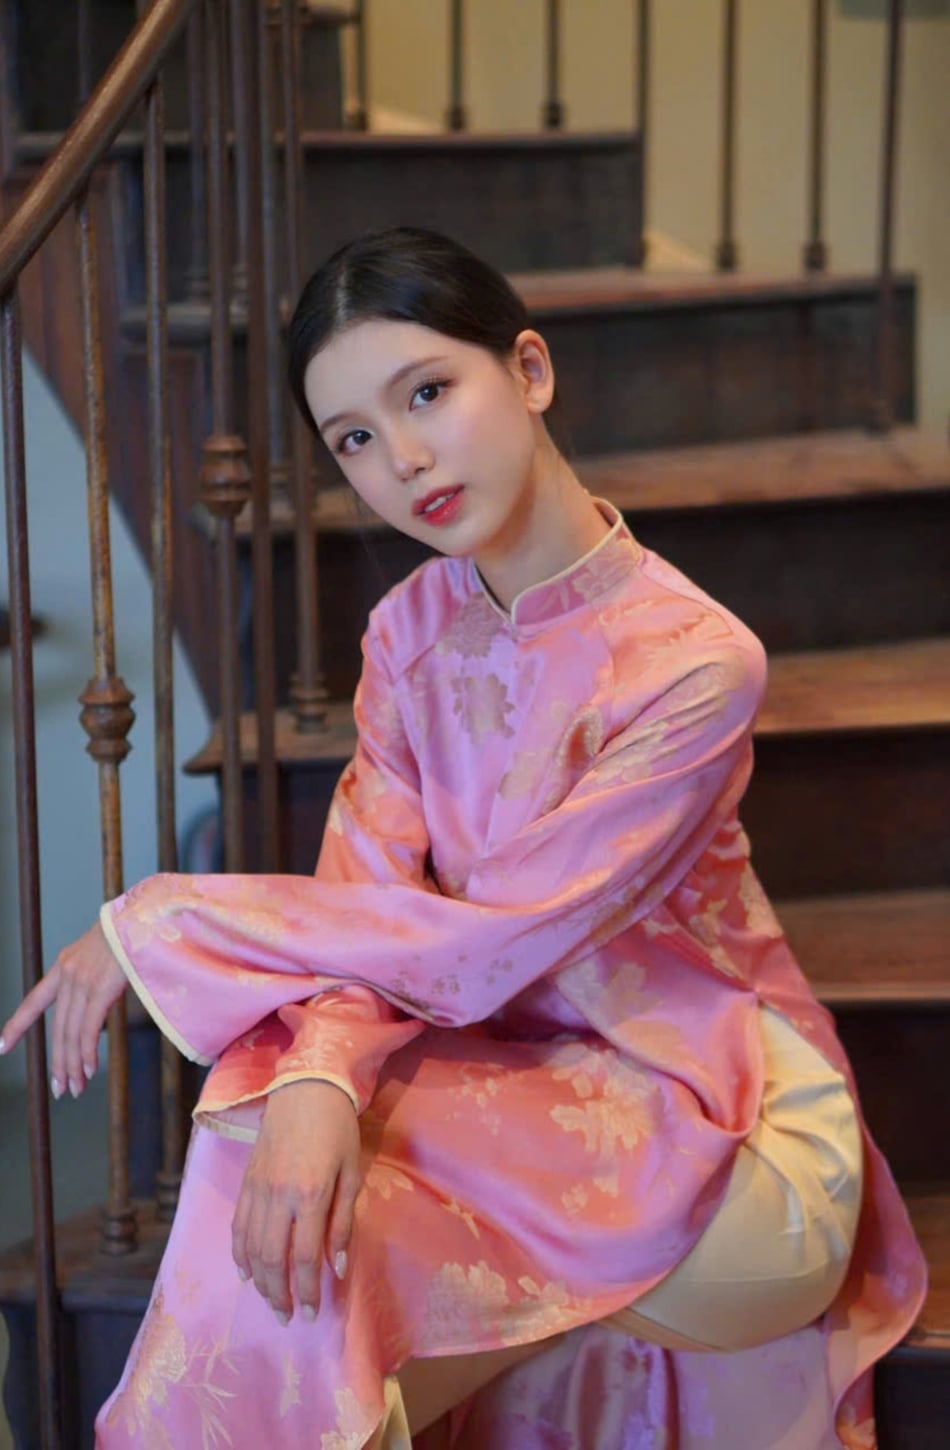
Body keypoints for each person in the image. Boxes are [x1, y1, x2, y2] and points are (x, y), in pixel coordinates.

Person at [0, 226, 926, 1448]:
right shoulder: (406, 634)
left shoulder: (694, 664)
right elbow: (366, 883)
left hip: (718, 1123)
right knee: (283, 1150)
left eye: (427, 392)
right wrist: (319, 1076)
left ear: (528, 370)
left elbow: (490, 939)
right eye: (353, 439)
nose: (403, 458)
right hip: (521, 1095)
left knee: (281, 1158)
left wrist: (165, 917)